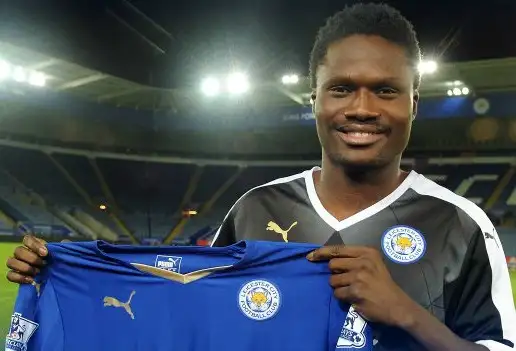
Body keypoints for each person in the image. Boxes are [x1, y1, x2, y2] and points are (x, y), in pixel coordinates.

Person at [5, 3, 516, 350]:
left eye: (385, 90)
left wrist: (409, 315)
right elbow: (191, 311)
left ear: (413, 103)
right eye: (341, 89)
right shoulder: (255, 208)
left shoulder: (462, 224)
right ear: (314, 100)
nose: (362, 108)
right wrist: (54, 272)